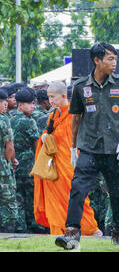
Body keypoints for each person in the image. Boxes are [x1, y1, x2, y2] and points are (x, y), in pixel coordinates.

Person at [55, 43, 119, 249]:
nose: (114, 63)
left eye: (116, 59)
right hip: (89, 148)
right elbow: (75, 120)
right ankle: (72, 234)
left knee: (118, 194)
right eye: (110, 59)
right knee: (77, 190)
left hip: (114, 150)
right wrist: (74, 148)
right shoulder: (82, 86)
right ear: (97, 60)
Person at [33, 81, 101, 236]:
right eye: (49, 97)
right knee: (55, 202)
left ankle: (90, 229)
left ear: (63, 95)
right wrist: (45, 137)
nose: (50, 100)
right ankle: (58, 230)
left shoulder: (75, 114)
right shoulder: (53, 115)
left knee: (76, 196)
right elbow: (50, 135)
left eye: (53, 97)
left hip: (71, 164)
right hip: (55, 167)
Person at [11, 87, 46, 233]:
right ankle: (36, 228)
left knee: (18, 200)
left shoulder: (10, 118)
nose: (33, 106)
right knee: (33, 201)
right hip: (30, 167)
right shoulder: (29, 122)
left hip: (15, 166)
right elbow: (38, 146)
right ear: (20, 105)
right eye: (30, 103)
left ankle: (20, 229)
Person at [0, 89, 20, 233]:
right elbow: (9, 146)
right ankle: (8, 232)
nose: (5, 104)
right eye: (2, 102)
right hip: (2, 168)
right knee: (8, 202)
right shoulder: (4, 119)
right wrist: (9, 162)